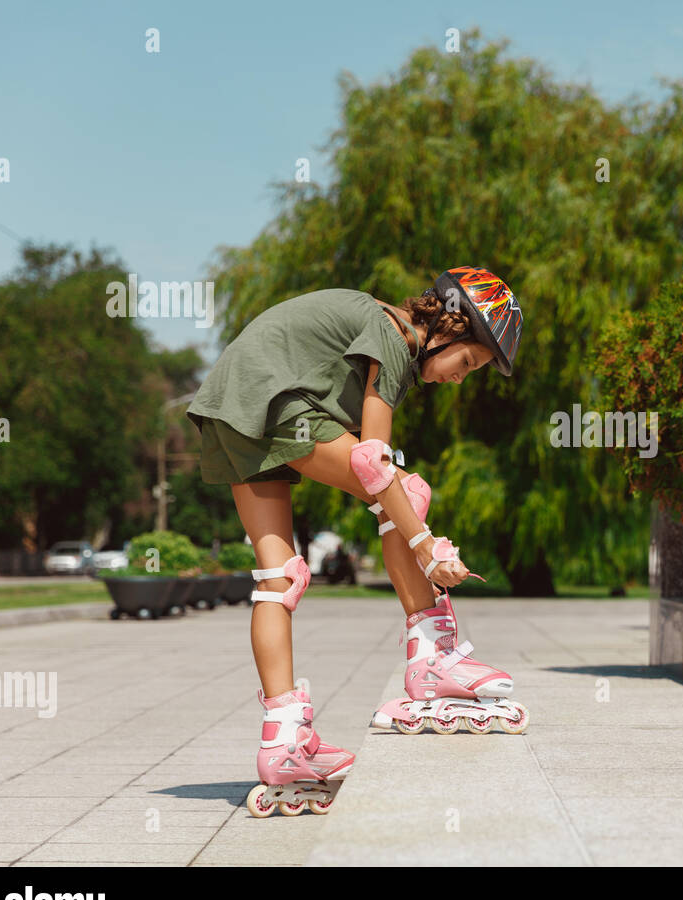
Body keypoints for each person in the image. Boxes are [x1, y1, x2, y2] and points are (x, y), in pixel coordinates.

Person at [186, 266, 524, 817]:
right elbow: (373, 458)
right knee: (406, 490)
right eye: (467, 362)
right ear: (448, 325)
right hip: (275, 404)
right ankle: (432, 660)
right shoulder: (392, 334)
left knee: (280, 579)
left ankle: (284, 740)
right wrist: (427, 547)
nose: (462, 378)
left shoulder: (383, 332)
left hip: (231, 404)